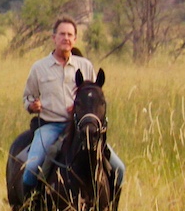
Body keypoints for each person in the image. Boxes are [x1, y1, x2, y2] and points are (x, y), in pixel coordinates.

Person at [21, 17, 125, 192]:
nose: (66, 38)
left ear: (75, 39)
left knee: (119, 168)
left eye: (70, 35)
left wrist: (81, 110)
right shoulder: (39, 68)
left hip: (81, 128)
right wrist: (32, 106)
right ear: (54, 38)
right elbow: (28, 97)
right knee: (32, 168)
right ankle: (31, 207)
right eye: (62, 34)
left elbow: (93, 97)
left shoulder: (85, 66)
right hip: (51, 126)